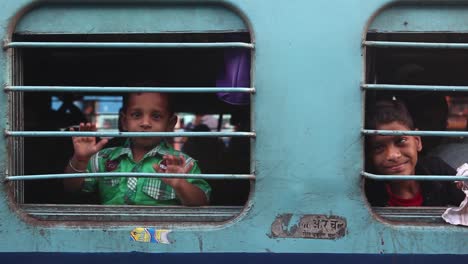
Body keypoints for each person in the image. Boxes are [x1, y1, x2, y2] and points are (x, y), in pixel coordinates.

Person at [64, 92, 211, 206]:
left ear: (170, 123)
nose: (145, 123)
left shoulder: (182, 164)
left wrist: (181, 184)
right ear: (124, 121)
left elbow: (202, 201)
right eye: (136, 115)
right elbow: (71, 189)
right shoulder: (103, 158)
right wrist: (80, 160)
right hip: (111, 237)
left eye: (156, 116)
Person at [365, 99, 464, 207]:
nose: (392, 155)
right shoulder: (367, 192)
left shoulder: (436, 171)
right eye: (378, 147)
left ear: (417, 141)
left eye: (401, 141)